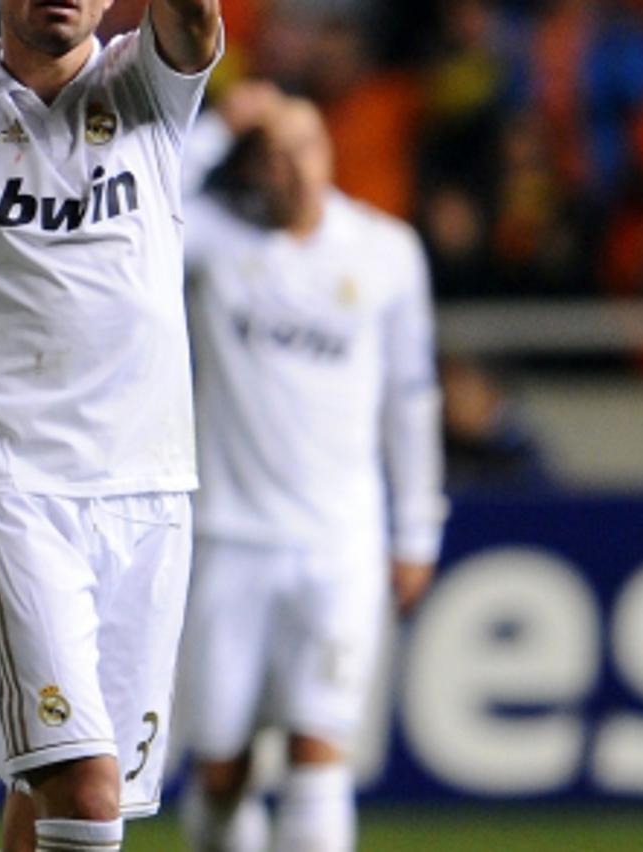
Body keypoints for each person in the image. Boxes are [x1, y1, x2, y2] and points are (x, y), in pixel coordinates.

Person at [0, 0, 222, 849]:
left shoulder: (150, 91)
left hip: (149, 487)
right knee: (85, 792)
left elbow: (198, 21)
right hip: (9, 484)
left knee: (65, 796)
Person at [177, 84, 448, 852]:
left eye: (307, 146)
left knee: (318, 750)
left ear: (330, 152)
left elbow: (411, 397)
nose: (295, 167)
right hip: (231, 540)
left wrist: (417, 529)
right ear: (253, 168)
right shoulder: (214, 244)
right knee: (222, 767)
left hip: (341, 543)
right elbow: (139, 212)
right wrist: (214, 128)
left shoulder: (387, 252)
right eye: (274, 153)